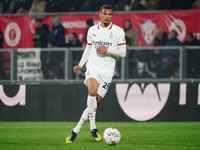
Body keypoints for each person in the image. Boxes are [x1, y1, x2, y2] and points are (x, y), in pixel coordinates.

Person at [65, 4, 126, 143]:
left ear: (112, 16)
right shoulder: (92, 30)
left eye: (109, 14)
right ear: (100, 14)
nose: (107, 16)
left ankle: (75, 130)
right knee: (91, 91)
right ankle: (93, 127)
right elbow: (88, 49)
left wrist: (108, 50)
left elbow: (123, 53)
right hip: (93, 66)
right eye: (104, 13)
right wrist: (81, 65)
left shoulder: (118, 31)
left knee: (93, 105)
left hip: (107, 72)